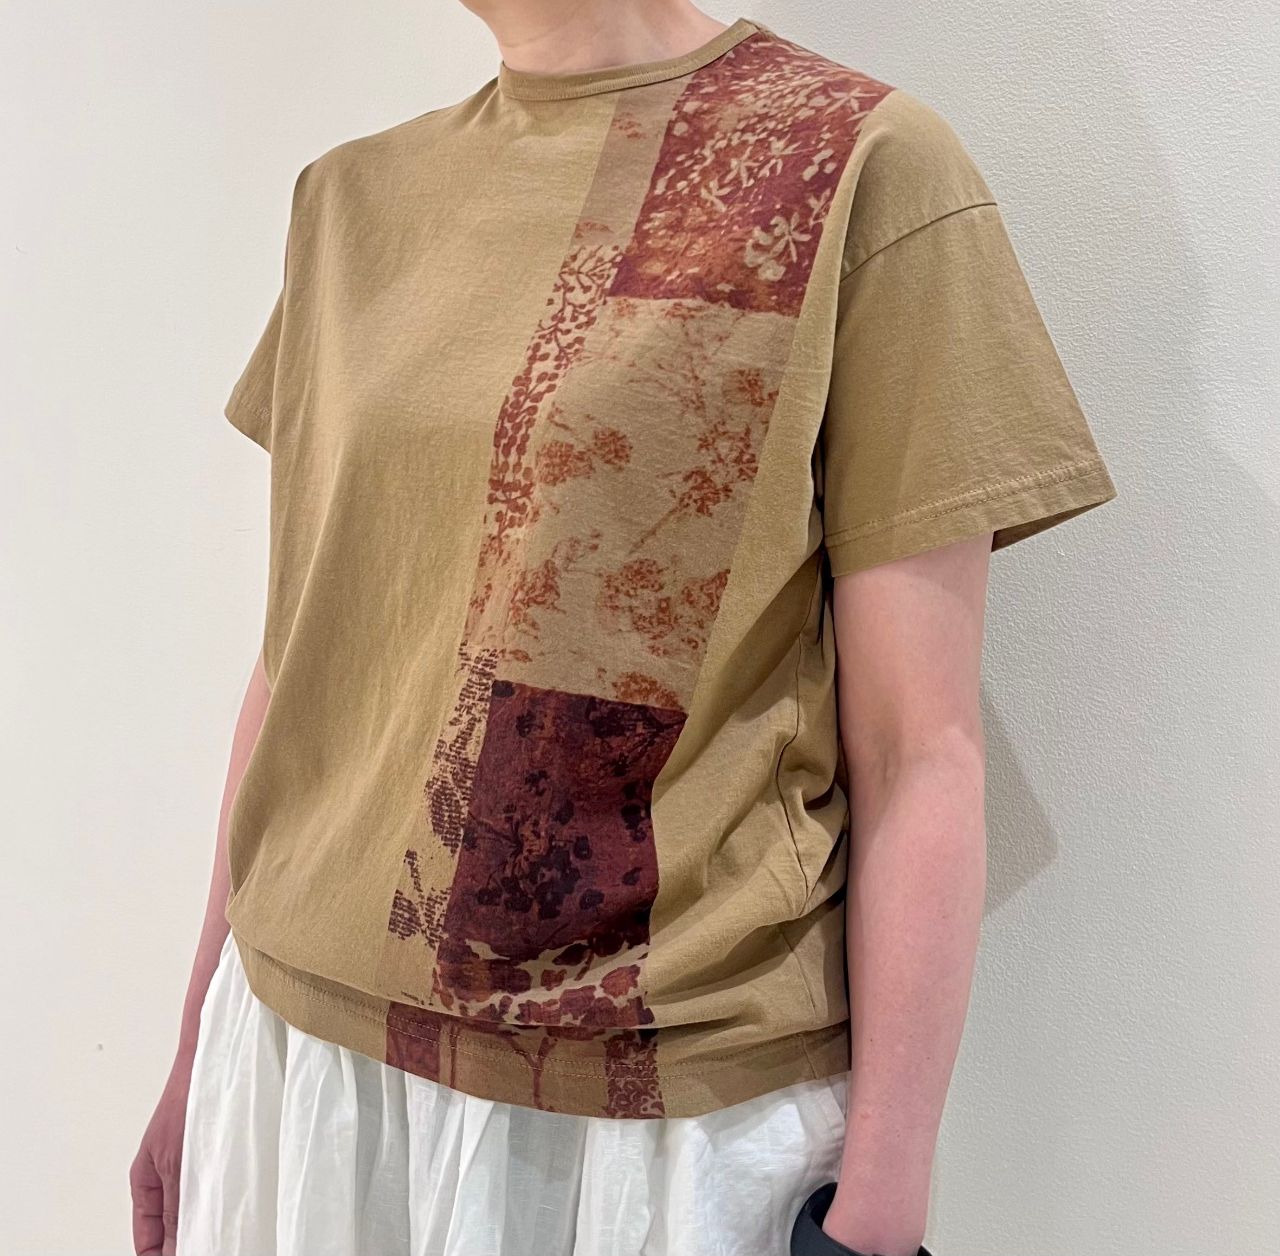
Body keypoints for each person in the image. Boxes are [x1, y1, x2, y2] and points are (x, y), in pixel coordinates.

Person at [129, 4, 1119, 1255]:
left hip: (650, 1118)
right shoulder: (350, 199)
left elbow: (918, 745)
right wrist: (195, 1047)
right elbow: (299, 661)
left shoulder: (855, 164)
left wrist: (879, 1211)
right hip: (297, 1060)